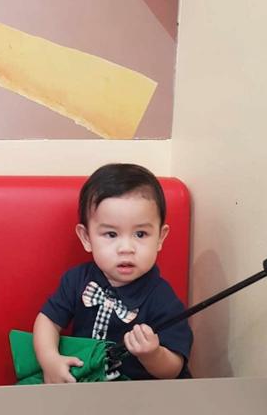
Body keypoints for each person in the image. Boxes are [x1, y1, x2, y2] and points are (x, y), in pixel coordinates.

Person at [33, 163, 193, 383]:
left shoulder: (162, 298)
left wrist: (153, 355)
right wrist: (50, 360)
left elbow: (174, 369)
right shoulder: (76, 280)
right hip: (83, 385)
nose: (126, 248)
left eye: (140, 233)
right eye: (110, 234)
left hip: (137, 397)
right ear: (86, 237)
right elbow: (47, 321)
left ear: (160, 237)